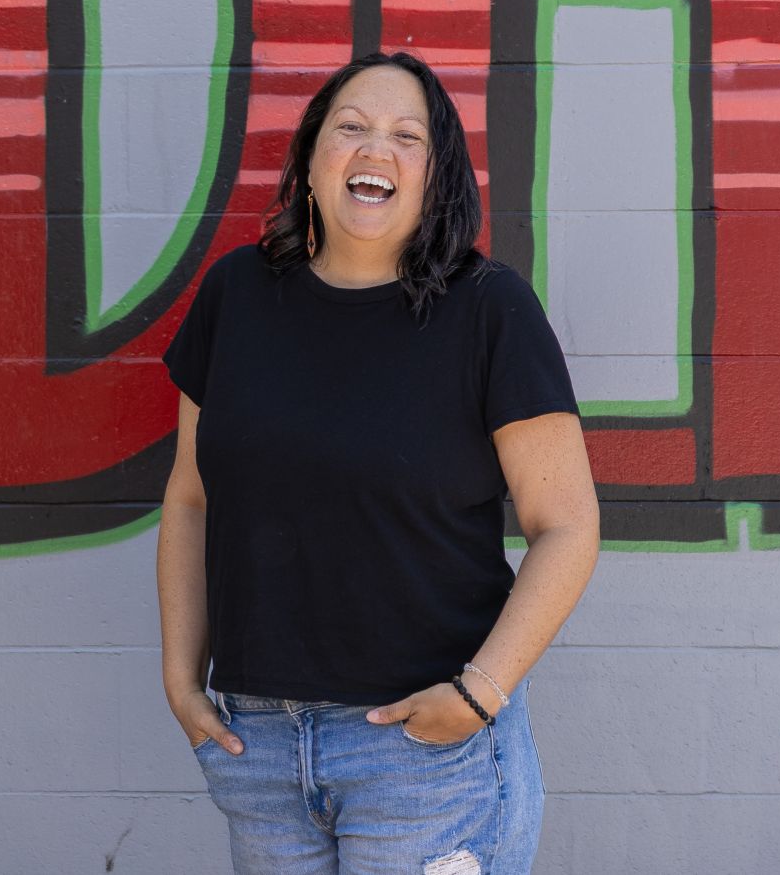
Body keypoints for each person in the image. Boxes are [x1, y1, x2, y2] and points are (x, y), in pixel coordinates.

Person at [156, 50, 600, 875]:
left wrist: (479, 695)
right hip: (259, 747)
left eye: (407, 136)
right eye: (352, 127)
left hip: (423, 755)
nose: (375, 149)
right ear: (312, 155)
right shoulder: (236, 295)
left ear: (438, 175)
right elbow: (190, 497)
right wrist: (182, 678)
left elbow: (567, 524)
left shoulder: (489, 310)